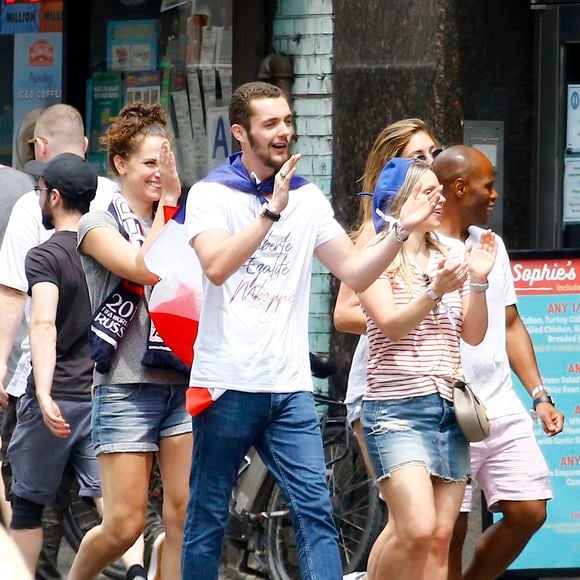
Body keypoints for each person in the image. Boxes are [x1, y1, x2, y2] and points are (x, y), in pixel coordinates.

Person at [181, 82, 441, 580]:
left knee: (315, 512)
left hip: (289, 386)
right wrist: (270, 213)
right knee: (208, 515)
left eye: (287, 120)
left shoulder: (308, 196)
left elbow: (358, 273)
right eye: (270, 123)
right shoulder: (212, 193)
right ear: (241, 132)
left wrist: (400, 231)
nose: (284, 132)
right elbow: (216, 266)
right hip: (226, 383)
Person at [68, 102, 192, 580]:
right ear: (121, 165)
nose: (161, 174)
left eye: (166, 163)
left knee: (184, 512)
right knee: (124, 525)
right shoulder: (95, 225)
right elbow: (144, 267)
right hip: (124, 386)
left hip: (179, 380)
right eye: (149, 164)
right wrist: (172, 209)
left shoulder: (183, 220)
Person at [356, 157, 496, 580]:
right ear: (399, 201)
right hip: (395, 409)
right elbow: (392, 324)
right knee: (414, 528)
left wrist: (478, 281)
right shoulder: (375, 256)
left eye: (440, 191)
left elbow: (472, 334)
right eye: (427, 192)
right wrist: (436, 290)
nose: (440, 199)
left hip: (448, 411)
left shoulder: (453, 252)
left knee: (438, 538)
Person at [432, 145, 565, 580]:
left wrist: (540, 395)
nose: (494, 195)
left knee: (529, 510)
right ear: (458, 187)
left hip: (500, 404)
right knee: (448, 530)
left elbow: (509, 324)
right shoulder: (420, 247)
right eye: (487, 185)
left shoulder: (491, 244)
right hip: (444, 408)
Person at [0, 104, 116, 580]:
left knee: (30, 503)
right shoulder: (116, 210)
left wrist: (20, 379)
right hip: (105, 388)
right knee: (111, 503)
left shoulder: (39, 235)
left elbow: (28, 312)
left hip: (47, 388)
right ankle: (137, 568)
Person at [333, 118, 441, 475]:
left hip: (431, 385)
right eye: (418, 158)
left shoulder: (441, 237)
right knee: (405, 518)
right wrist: (401, 317)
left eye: (434, 153)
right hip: (380, 385)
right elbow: (344, 313)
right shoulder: (375, 233)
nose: (430, 162)